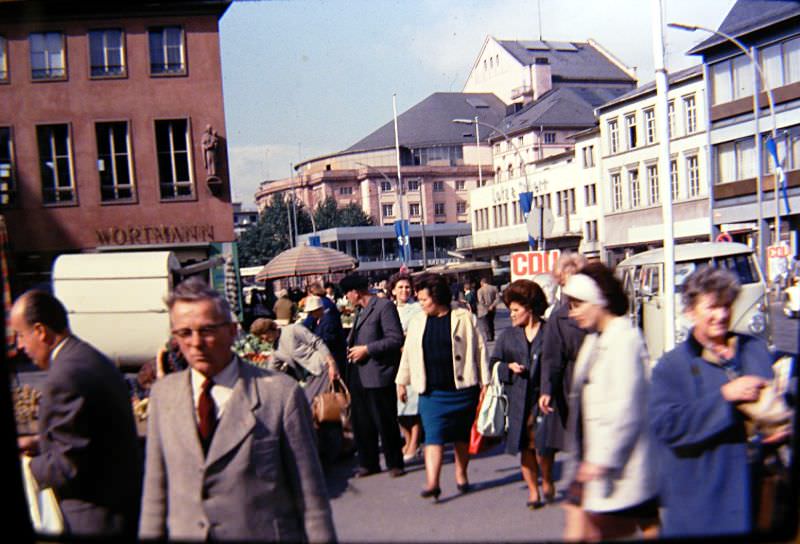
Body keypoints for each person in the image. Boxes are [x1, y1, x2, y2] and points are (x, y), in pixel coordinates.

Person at [139, 277, 336, 542]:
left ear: (232, 331)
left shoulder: (279, 394)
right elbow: (154, 495)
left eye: (207, 330)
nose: (196, 343)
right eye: (184, 333)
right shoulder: (164, 395)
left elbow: (310, 496)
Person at [649, 267, 778, 538]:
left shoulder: (754, 349)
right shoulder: (672, 367)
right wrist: (725, 397)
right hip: (703, 504)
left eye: (726, 305)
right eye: (711, 307)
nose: (720, 315)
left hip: (760, 497)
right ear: (690, 311)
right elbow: (666, 426)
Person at [12, 290, 142, 538]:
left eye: (21, 335)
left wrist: (28, 467)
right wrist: (39, 443)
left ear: (40, 331)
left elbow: (68, 465)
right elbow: (88, 436)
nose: (19, 346)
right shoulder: (89, 357)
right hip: (117, 513)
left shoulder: (64, 376)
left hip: (91, 519)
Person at [561, 263, 659, 541]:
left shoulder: (624, 339)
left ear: (598, 301)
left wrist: (601, 460)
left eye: (578, 304)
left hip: (614, 463)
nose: (573, 313)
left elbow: (625, 407)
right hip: (590, 459)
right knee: (581, 528)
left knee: (594, 531)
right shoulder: (595, 338)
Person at [396, 273, 489, 500]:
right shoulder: (417, 322)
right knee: (433, 437)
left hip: (462, 389)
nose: (421, 304)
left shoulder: (464, 317)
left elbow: (480, 350)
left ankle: (461, 474)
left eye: (424, 300)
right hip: (431, 391)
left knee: (461, 437)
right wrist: (401, 382)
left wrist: (485, 382)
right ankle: (432, 483)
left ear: (437, 298)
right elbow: (408, 354)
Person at [491, 279, 555, 509]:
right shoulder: (508, 336)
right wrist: (507, 368)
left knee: (543, 447)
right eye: (510, 310)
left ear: (530, 308)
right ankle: (533, 491)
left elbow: (559, 364)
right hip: (518, 400)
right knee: (525, 448)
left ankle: (547, 479)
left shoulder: (550, 332)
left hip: (544, 400)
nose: (512, 315)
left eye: (516, 310)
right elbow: (494, 363)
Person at [342, 273, 406, 478]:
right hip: (358, 374)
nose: (346, 298)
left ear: (355, 292)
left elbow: (395, 338)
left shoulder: (383, 307)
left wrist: (367, 349)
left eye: (347, 294)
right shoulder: (359, 312)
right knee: (362, 422)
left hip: (378, 373)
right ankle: (368, 463)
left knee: (385, 420)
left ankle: (395, 462)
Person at [538, 252, 588, 453]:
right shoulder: (559, 318)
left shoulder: (600, 309)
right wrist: (547, 390)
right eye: (563, 284)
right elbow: (552, 358)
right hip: (572, 386)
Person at [388, 271, 424, 463]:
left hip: (411, 360)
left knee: (413, 404)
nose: (404, 290)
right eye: (400, 287)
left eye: (407, 287)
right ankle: (408, 439)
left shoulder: (417, 309)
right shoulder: (389, 308)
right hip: (393, 362)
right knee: (398, 407)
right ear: (392, 290)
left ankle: (415, 442)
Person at [250, 312, 338, 388]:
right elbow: (271, 370)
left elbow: (317, 343)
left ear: (269, 329)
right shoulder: (275, 350)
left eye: (263, 337)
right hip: (307, 377)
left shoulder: (293, 329)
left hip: (322, 368)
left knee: (327, 403)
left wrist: (332, 364)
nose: (263, 340)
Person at [477, 276, 500, 341]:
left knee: (486, 323)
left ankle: (489, 337)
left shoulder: (480, 290)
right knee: (491, 322)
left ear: (482, 282)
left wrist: (486, 306)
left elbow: (481, 301)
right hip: (492, 308)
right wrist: (492, 305)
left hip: (484, 309)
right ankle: (492, 335)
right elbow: (498, 298)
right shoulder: (494, 288)